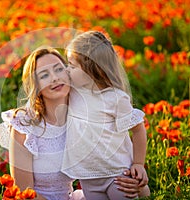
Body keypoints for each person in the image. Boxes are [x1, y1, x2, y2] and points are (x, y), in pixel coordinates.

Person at [0, 46, 144, 200]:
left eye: (59, 70)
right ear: (36, 85)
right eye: (44, 75)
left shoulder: (86, 110)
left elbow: (124, 136)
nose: (55, 78)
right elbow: (24, 190)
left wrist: (135, 173)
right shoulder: (24, 125)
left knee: (139, 190)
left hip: (73, 196)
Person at [61, 31, 150, 200]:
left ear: (92, 69)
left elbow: (138, 130)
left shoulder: (115, 98)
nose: (67, 70)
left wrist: (138, 163)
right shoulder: (71, 92)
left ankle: (143, 190)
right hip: (88, 177)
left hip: (118, 173)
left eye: (72, 66)